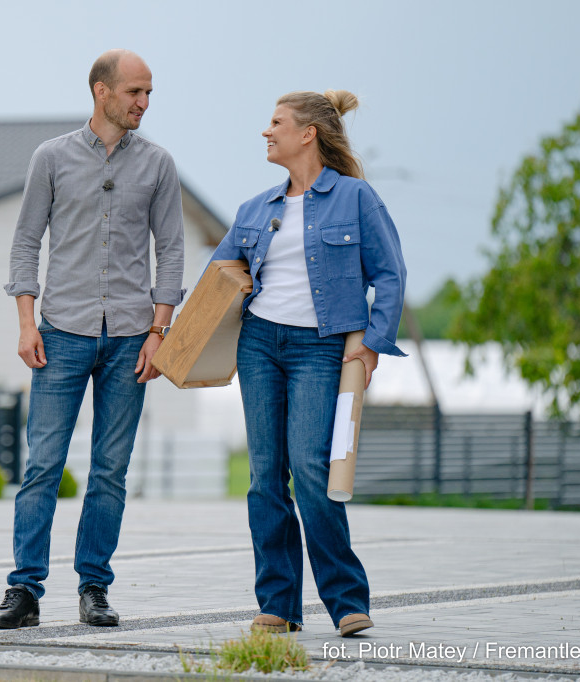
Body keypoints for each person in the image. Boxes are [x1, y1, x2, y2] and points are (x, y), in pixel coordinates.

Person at [0, 49, 184, 629]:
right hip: (61, 333)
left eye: (149, 94)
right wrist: (26, 322)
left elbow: (171, 251)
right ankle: (24, 591)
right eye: (135, 93)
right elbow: (26, 242)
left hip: (130, 338)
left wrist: (159, 331)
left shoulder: (159, 165)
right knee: (43, 464)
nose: (144, 103)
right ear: (102, 91)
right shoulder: (50, 158)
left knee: (109, 471)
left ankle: (94, 587)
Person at [208, 90, 406, 637]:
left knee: (313, 472)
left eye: (275, 123)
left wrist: (370, 342)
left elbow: (390, 274)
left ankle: (346, 600)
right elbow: (219, 274)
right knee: (264, 476)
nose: (265, 132)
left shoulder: (356, 198)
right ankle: (278, 604)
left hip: (321, 347)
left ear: (307, 134)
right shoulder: (255, 209)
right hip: (259, 345)